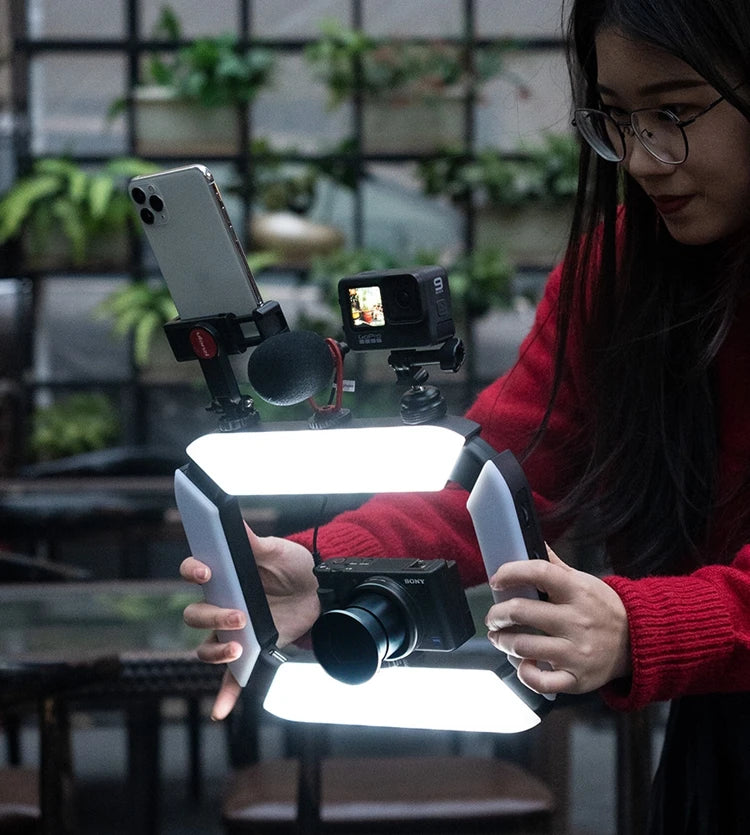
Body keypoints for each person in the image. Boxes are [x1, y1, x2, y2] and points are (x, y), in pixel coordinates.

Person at [181, 0, 750, 831]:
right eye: (616, 120)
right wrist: (322, 570)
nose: (642, 157)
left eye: (672, 112)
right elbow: (495, 477)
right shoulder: (621, 271)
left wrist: (641, 626)